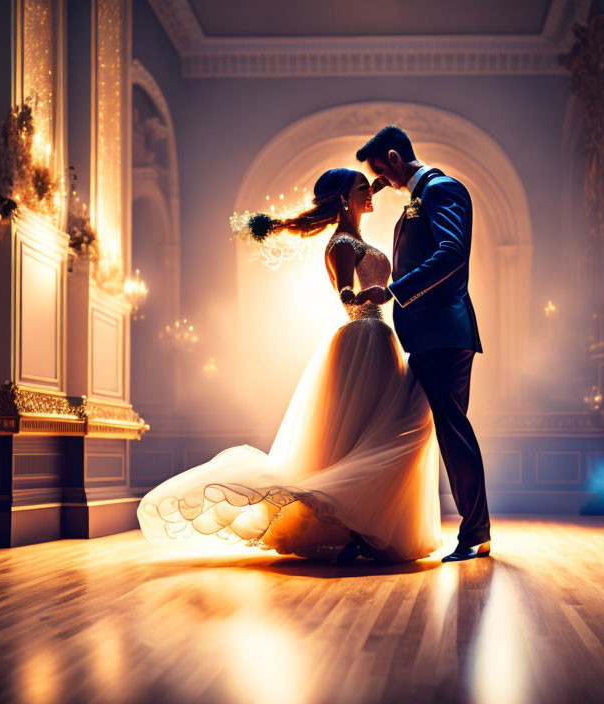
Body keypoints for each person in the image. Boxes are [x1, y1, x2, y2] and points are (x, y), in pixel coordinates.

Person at [137, 168, 442, 563]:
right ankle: (354, 526)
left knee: (377, 431)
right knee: (365, 434)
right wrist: (366, 294)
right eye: (362, 189)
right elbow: (347, 295)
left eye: (371, 187)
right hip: (363, 337)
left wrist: (378, 182)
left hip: (380, 340)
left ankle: (364, 527)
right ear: (344, 199)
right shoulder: (342, 243)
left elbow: (368, 197)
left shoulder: (356, 234)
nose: (371, 193)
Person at [357, 126, 491, 562]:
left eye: (384, 171)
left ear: (395, 157)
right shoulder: (418, 198)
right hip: (429, 335)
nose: (385, 182)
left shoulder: (441, 188)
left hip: (443, 333)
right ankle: (379, 530)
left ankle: (476, 533)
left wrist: (395, 291)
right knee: (420, 430)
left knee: (453, 433)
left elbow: (453, 253)